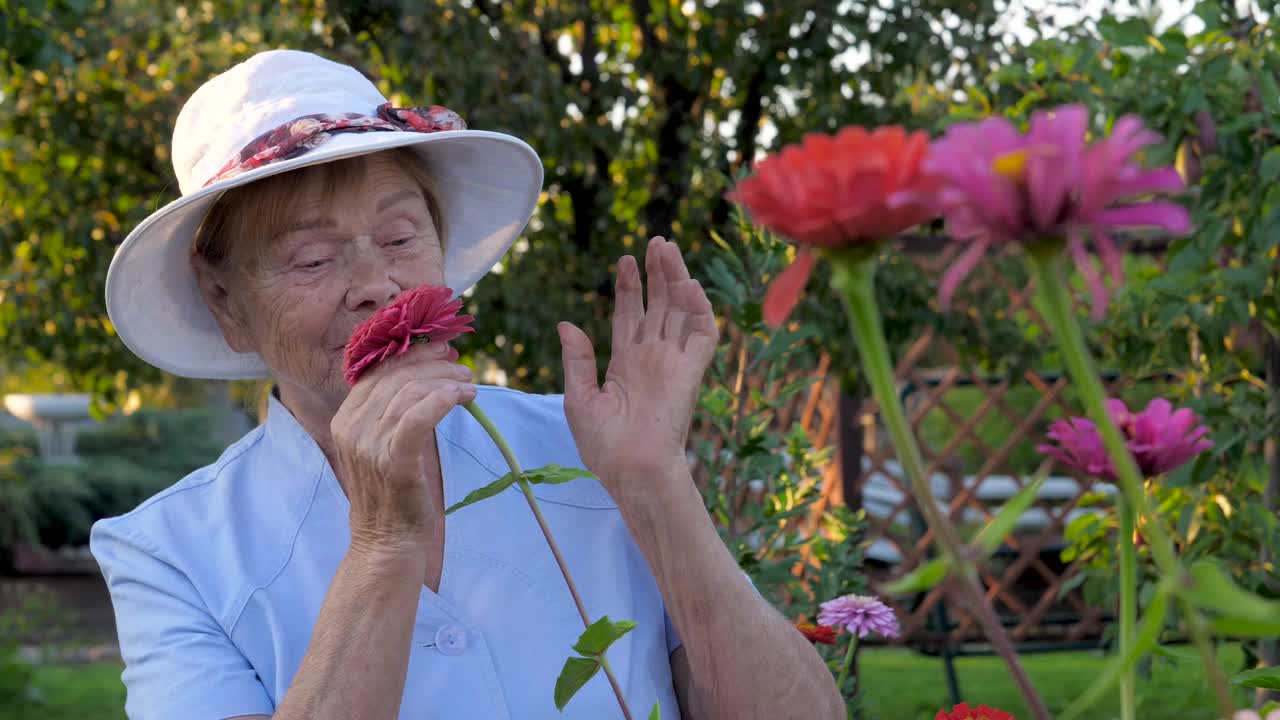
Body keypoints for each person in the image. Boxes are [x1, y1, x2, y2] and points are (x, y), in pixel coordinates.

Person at [90, 49, 842, 720]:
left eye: (399, 238)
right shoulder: (169, 550)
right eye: (314, 259)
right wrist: (384, 542)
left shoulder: (589, 446)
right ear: (226, 304)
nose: (376, 285)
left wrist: (656, 483)